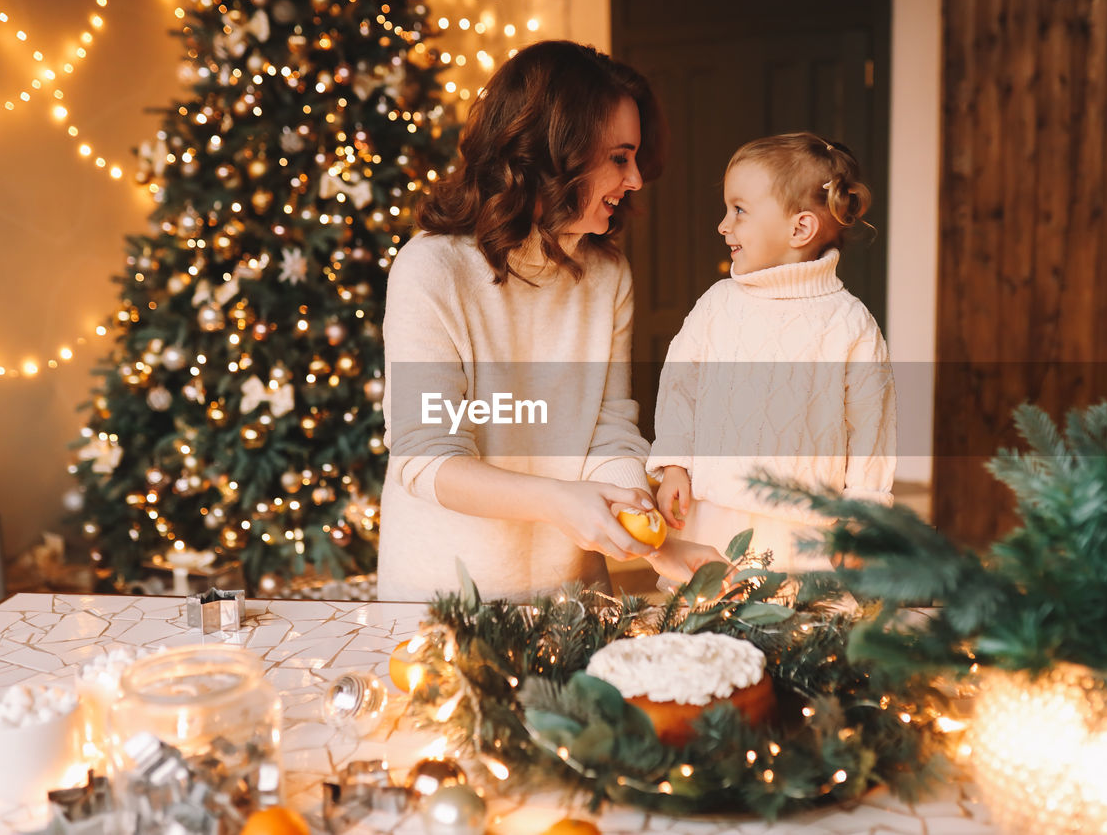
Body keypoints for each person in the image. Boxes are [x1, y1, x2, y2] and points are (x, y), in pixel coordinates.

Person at [378, 40, 673, 602]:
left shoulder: (608, 272)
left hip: (573, 598)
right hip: (445, 601)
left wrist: (640, 519)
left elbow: (609, 427)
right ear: (552, 153)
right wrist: (562, 502)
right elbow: (426, 455)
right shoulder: (432, 268)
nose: (635, 179)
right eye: (619, 157)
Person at [647, 133, 896, 574]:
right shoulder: (716, 305)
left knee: (798, 632)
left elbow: (871, 430)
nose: (723, 225)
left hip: (806, 537)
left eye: (739, 211)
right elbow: (680, 390)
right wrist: (674, 466)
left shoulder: (849, 324)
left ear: (799, 228)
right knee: (711, 625)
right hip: (712, 519)